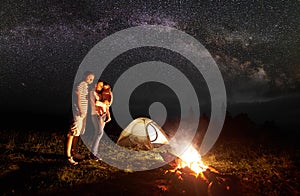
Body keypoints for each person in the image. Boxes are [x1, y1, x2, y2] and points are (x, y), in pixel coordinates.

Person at [65, 71, 95, 165]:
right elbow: (77, 97)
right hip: (78, 113)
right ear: (84, 76)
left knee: (77, 133)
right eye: (89, 78)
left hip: (82, 113)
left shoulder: (86, 86)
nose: (90, 80)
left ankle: (74, 153)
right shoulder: (81, 84)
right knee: (72, 133)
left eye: (92, 79)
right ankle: (68, 156)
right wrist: (81, 110)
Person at [90, 81, 113, 161]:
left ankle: (94, 153)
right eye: (99, 85)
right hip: (96, 115)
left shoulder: (100, 93)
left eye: (102, 86)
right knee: (99, 133)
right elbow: (96, 103)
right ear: (95, 85)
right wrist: (105, 104)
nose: (101, 87)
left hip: (103, 115)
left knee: (98, 133)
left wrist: (108, 115)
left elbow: (107, 105)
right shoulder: (93, 92)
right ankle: (93, 153)